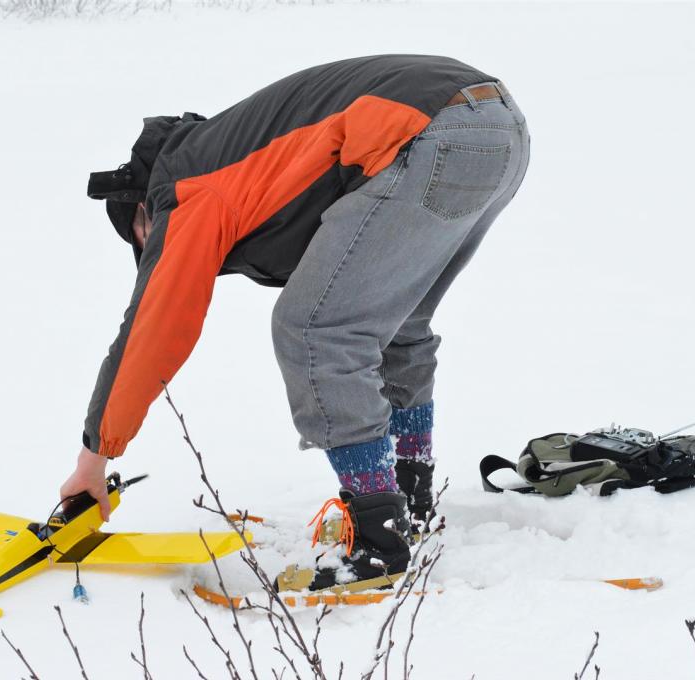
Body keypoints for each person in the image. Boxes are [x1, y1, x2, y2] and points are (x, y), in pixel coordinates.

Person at [60, 55, 531, 593]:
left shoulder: (188, 187)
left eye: (145, 242)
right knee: (398, 324)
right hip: (496, 124)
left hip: (428, 131)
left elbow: (154, 329)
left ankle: (378, 542)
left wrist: (94, 458)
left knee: (314, 330)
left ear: (143, 209)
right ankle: (408, 500)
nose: (153, 255)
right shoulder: (235, 153)